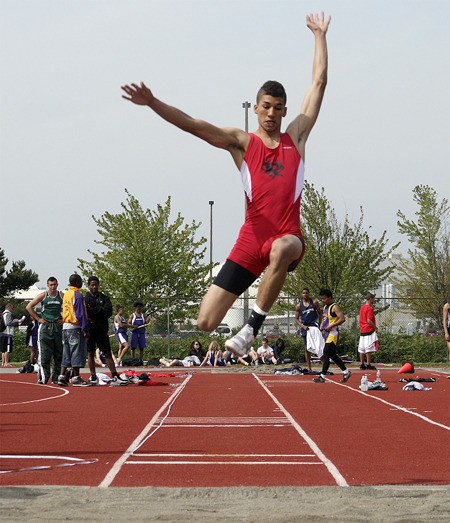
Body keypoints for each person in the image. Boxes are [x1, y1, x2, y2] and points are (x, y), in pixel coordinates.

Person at [121, 12, 331, 358]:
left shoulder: (297, 136)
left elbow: (319, 83)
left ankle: (252, 328)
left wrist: (319, 35)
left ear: (284, 110)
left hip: (288, 236)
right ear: (258, 105)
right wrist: (154, 103)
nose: (271, 114)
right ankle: (244, 319)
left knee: (281, 249)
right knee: (206, 320)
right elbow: (193, 125)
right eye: (265, 107)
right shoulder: (242, 142)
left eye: (278, 108)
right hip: (251, 240)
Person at [84, 276, 128, 387]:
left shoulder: (104, 298)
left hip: (102, 330)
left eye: (96, 284)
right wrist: (99, 310)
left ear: (98, 285)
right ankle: (93, 376)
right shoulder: (86, 299)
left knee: (107, 352)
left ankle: (115, 375)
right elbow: (87, 311)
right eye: (92, 285)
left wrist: (96, 311)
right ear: (89, 286)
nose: (94, 287)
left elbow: (108, 312)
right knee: (90, 353)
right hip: (90, 330)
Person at [26, 276, 64, 384]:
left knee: (59, 353)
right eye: (51, 285)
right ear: (48, 285)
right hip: (45, 327)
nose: (53, 287)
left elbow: (71, 306)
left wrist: (65, 318)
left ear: (57, 285)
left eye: (54, 284)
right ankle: (43, 377)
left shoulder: (61, 295)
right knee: (44, 354)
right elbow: (29, 307)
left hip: (57, 327)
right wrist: (38, 318)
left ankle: (56, 377)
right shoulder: (43, 295)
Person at [57, 274, 90, 386]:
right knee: (76, 351)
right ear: (76, 282)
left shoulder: (66, 294)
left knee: (66, 351)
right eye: (80, 281)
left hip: (65, 327)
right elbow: (80, 313)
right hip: (75, 328)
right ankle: (76, 377)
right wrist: (85, 328)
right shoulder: (78, 295)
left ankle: (61, 376)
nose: (82, 283)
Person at [313, 288, 351, 383]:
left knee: (326, 353)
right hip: (326, 333)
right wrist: (321, 326)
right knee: (332, 355)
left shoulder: (335, 307)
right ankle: (346, 371)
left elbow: (342, 319)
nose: (323, 300)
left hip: (333, 334)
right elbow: (325, 319)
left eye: (324, 298)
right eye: (321, 299)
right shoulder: (325, 307)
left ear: (330, 297)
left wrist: (332, 326)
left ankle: (322, 376)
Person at [295, 288, 322, 371]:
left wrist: (320, 325)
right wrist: (302, 326)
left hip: (314, 326)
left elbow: (320, 313)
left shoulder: (314, 302)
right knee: (307, 348)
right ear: (301, 294)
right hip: (305, 328)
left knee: (319, 345)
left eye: (306, 293)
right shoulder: (299, 306)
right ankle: (309, 367)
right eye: (303, 293)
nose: (305, 294)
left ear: (309, 294)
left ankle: (324, 365)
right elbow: (296, 319)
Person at [358, 293, 378, 370]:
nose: (374, 300)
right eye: (373, 299)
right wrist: (375, 327)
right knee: (368, 348)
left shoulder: (362, 307)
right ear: (370, 299)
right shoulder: (369, 308)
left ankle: (362, 364)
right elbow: (369, 320)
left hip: (362, 329)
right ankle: (368, 364)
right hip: (368, 329)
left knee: (361, 348)